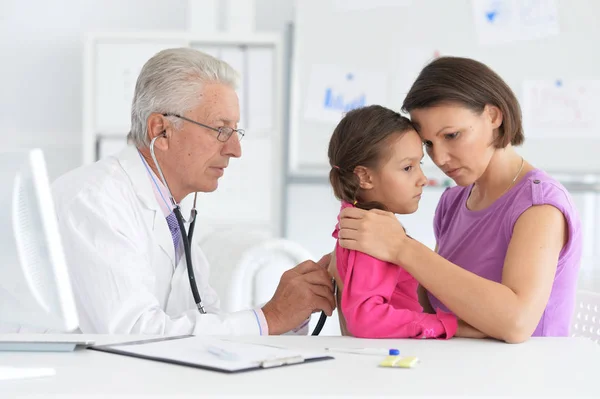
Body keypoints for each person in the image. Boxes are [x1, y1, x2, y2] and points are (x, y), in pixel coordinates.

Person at [52, 48, 335, 335]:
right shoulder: (94, 200)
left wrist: (292, 311)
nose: (235, 150)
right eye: (220, 129)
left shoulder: (174, 219)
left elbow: (207, 327)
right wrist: (269, 318)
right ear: (161, 131)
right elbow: (131, 332)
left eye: (236, 131)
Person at [336, 56, 582, 343]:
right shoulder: (452, 203)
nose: (438, 158)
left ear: (493, 117)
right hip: (455, 372)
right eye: (428, 143)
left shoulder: (539, 206)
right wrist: (351, 273)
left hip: (523, 380)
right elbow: (428, 312)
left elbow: (517, 323)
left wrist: (400, 247)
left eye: (451, 135)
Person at [328, 105, 457, 339]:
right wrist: (439, 324)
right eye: (408, 167)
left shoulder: (356, 220)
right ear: (365, 177)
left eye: (420, 165)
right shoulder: (372, 237)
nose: (423, 179)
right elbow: (366, 320)